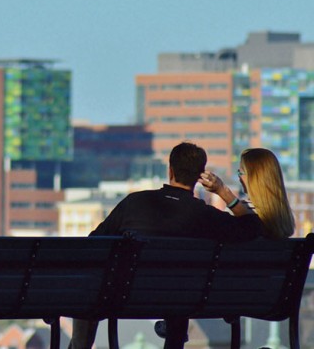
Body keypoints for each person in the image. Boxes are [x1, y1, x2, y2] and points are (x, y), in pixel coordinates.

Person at [68, 142, 264, 349]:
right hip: (181, 301)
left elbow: (93, 243)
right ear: (200, 176)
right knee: (179, 294)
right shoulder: (205, 216)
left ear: (170, 170)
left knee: (90, 287)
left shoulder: (135, 203)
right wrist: (223, 191)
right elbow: (252, 227)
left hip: (124, 296)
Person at [199, 147, 295, 239]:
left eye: (241, 173)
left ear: (255, 178)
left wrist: (223, 191)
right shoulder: (282, 217)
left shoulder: (245, 212)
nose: (239, 178)